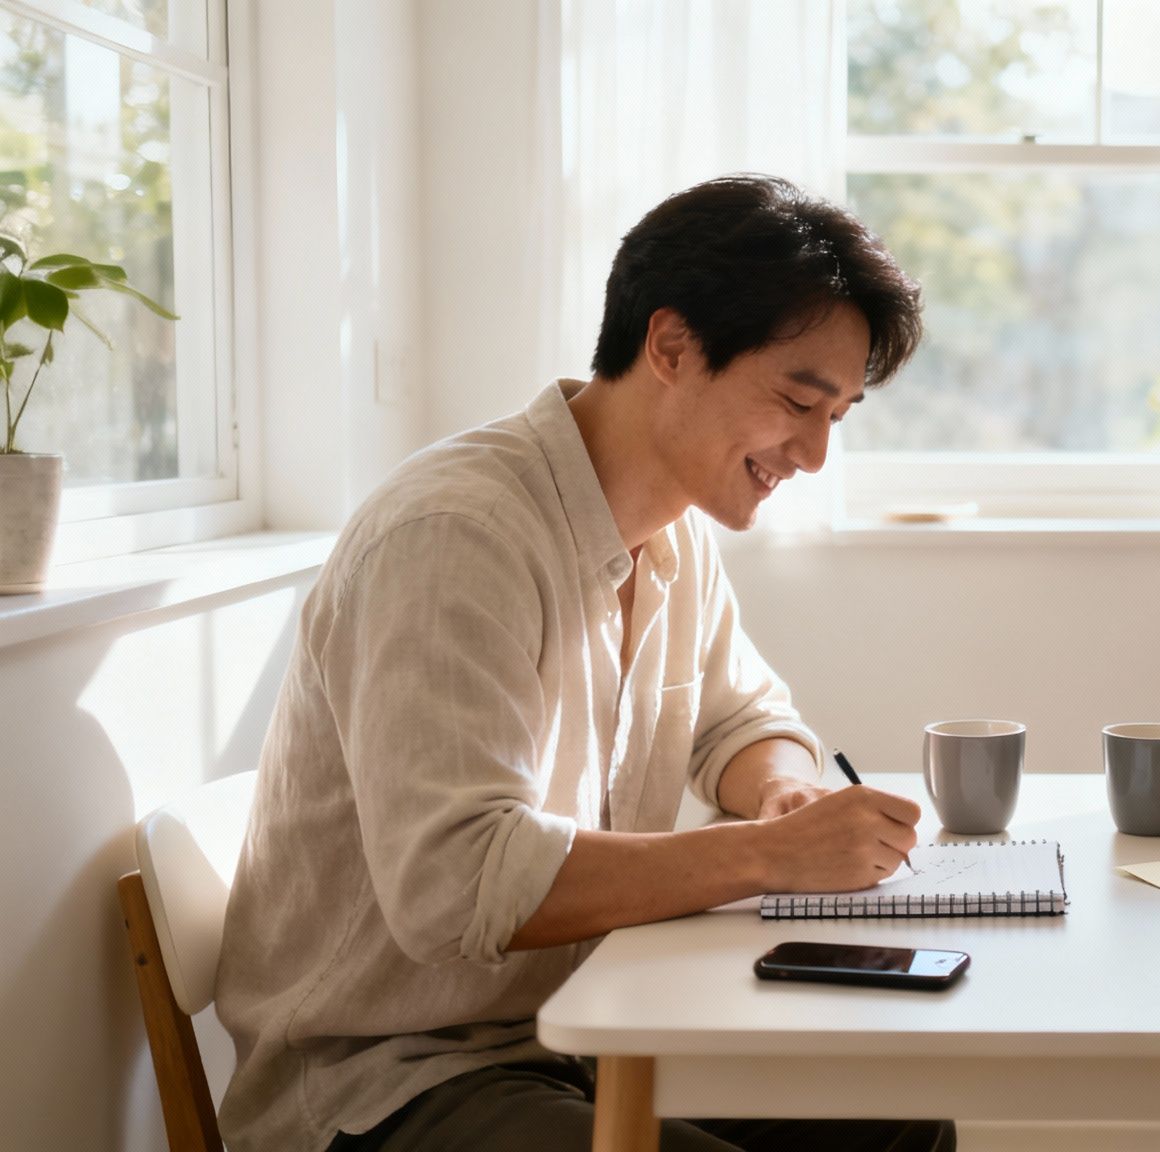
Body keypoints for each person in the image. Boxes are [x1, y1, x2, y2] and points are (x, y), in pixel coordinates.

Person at [214, 175, 953, 1152]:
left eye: (838, 417)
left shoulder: (673, 538)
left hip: (579, 1037)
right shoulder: (453, 536)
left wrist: (781, 793)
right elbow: (454, 883)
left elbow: (741, 720)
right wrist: (768, 858)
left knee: (895, 1119)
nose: (812, 455)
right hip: (384, 1083)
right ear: (673, 347)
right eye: (796, 402)